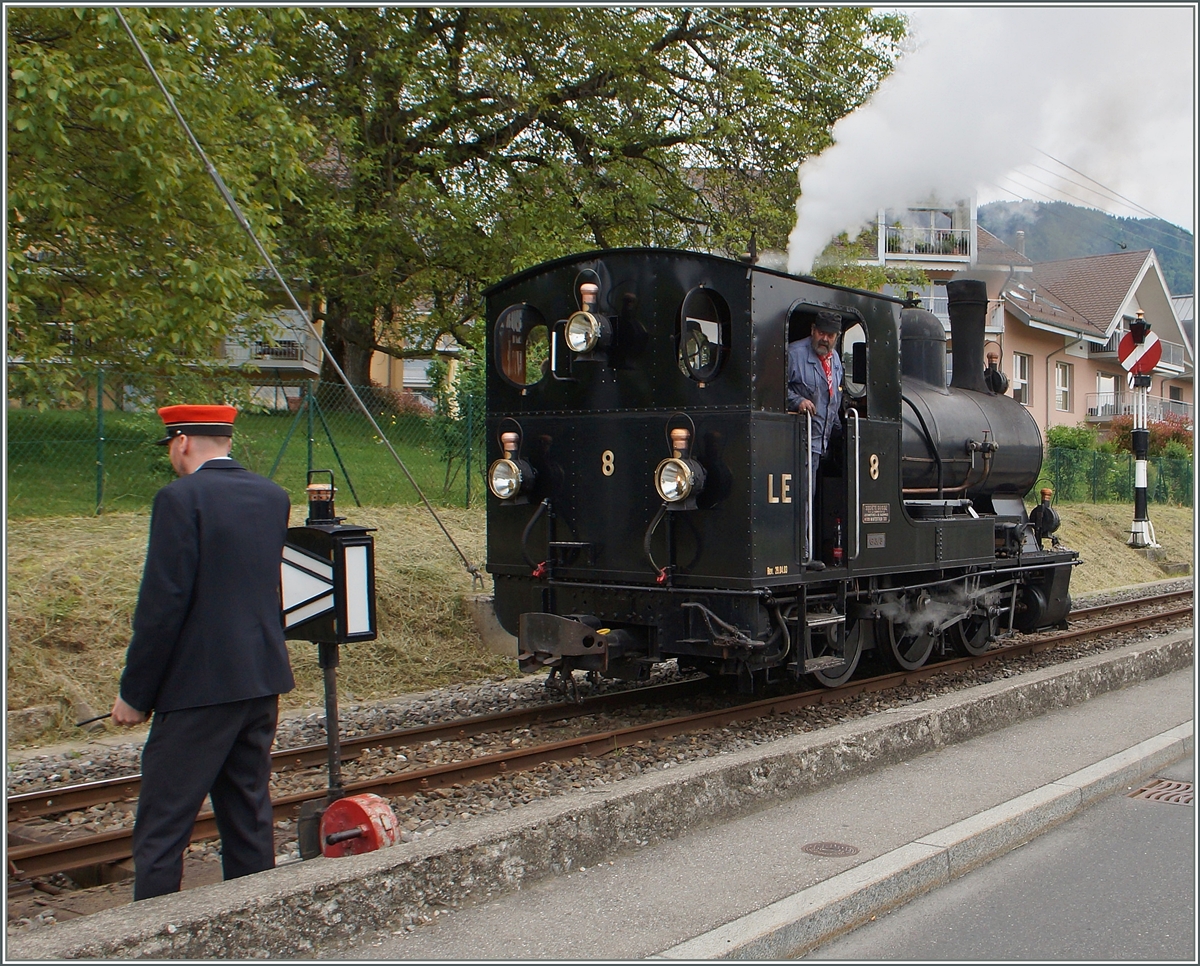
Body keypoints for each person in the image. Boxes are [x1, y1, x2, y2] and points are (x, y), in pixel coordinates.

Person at [111, 404, 294, 901]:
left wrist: (135, 693)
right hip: (260, 679)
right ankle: (255, 916)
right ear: (226, 440)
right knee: (248, 815)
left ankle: (153, 929)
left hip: (199, 687)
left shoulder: (179, 499)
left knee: (163, 825)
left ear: (182, 442)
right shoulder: (272, 496)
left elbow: (162, 606)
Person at [787, 310, 844, 467]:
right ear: (813, 330)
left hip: (820, 443)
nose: (825, 339)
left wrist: (840, 432)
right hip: (797, 443)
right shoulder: (793, 354)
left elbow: (832, 399)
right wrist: (797, 401)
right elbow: (771, 388)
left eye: (830, 335)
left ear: (837, 337)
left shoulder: (835, 360)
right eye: (821, 333)